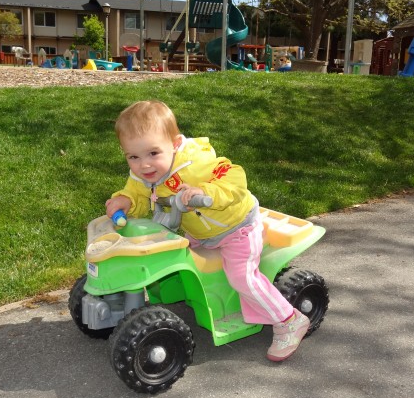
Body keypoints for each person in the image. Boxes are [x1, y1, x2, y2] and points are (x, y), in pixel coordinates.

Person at [105, 100, 310, 362]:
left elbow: (234, 179)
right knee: (174, 256)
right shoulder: (146, 174)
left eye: (153, 153)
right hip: (201, 233)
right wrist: (125, 200)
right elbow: (136, 192)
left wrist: (205, 191)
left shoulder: (196, 162)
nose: (144, 165)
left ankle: (289, 320)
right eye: (133, 157)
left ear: (175, 144)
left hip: (237, 227)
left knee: (242, 276)